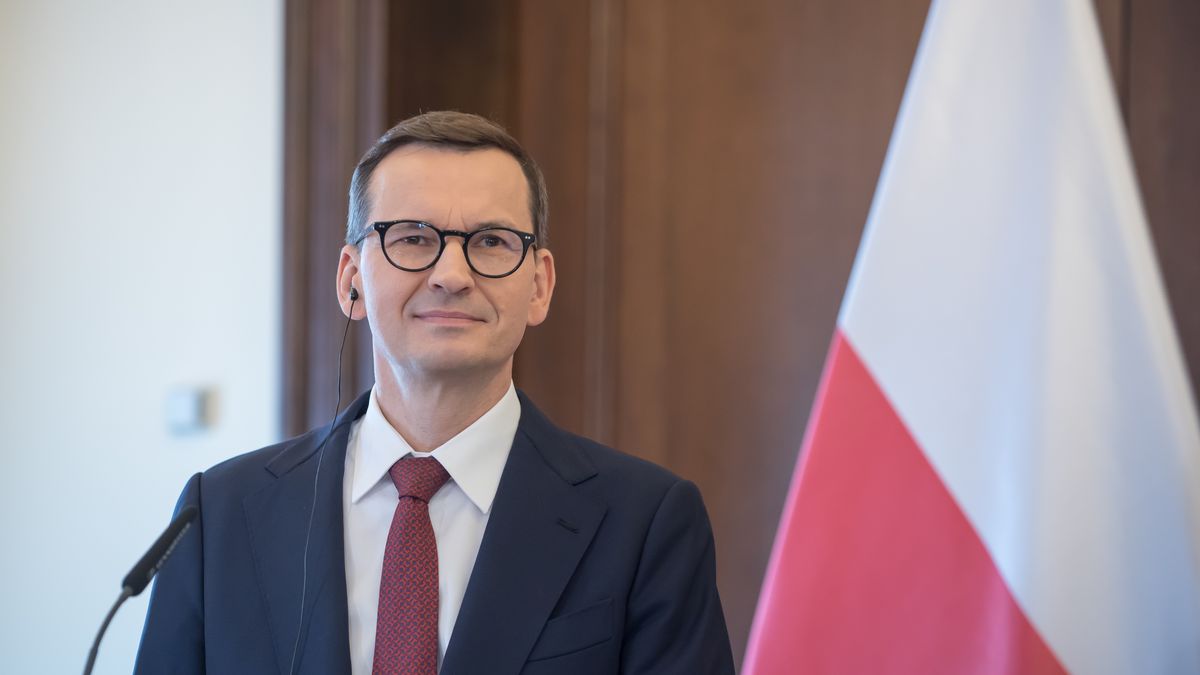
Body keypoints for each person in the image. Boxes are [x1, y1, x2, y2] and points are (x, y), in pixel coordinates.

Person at [133, 111, 735, 674]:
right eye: (413, 238)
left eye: (492, 241)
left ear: (539, 286)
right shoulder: (219, 514)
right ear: (351, 281)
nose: (451, 275)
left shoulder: (645, 522)